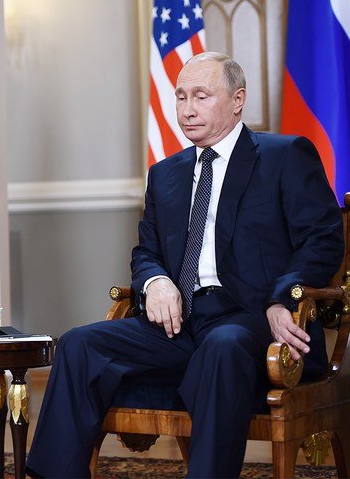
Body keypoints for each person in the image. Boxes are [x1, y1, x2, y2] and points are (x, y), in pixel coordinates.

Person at [25, 52, 344, 478]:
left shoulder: (284, 156)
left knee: (223, 346)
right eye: (180, 97)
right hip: (179, 324)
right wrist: (155, 281)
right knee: (79, 344)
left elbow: (322, 239)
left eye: (201, 96)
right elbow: (146, 251)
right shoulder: (165, 174)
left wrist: (281, 298)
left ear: (237, 100)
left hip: (251, 319)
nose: (187, 109)